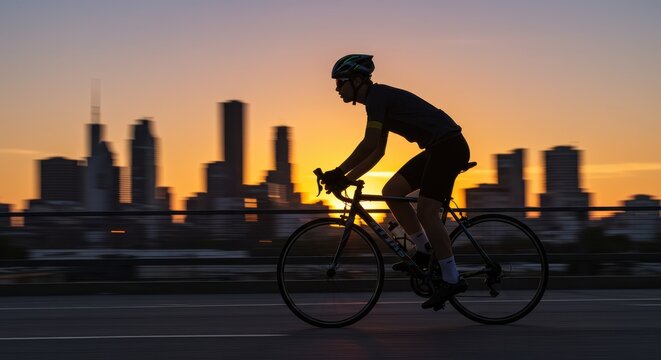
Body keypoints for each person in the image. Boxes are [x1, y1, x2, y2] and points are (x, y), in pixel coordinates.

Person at [321, 54, 471, 310]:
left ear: (357, 80)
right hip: (437, 148)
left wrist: (338, 171)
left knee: (426, 211)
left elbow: (368, 144)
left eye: (340, 82)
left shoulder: (377, 98)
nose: (337, 89)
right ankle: (424, 251)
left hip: (449, 147)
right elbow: (377, 152)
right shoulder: (378, 101)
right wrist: (346, 180)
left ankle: (451, 278)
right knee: (391, 191)